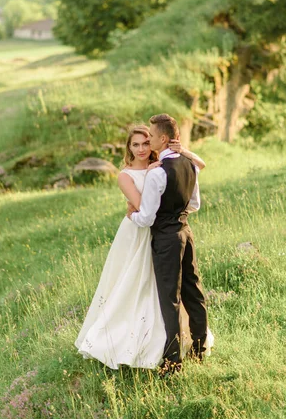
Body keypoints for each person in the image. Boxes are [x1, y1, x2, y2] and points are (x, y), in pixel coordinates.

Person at [75, 124, 209, 370]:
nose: (141, 149)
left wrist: (181, 153)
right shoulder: (129, 174)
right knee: (139, 286)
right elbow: (141, 206)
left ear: (156, 142)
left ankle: (173, 350)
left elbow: (196, 167)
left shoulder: (163, 168)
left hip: (160, 231)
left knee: (168, 292)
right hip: (139, 234)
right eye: (135, 145)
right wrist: (150, 175)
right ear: (128, 148)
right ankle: (140, 342)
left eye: (146, 143)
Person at [127, 114, 212, 375]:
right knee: (193, 292)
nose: (148, 140)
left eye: (151, 136)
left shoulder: (158, 174)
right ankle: (199, 349)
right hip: (186, 231)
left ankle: (173, 362)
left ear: (163, 139)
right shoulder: (189, 164)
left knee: (170, 298)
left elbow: (147, 217)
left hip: (166, 238)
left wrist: (132, 214)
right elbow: (194, 204)